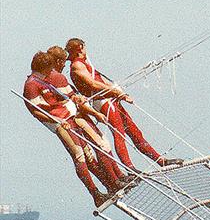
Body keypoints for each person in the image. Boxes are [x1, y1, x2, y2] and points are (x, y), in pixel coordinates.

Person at [23, 52, 131, 207]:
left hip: (69, 116)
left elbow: (64, 96)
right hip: (61, 123)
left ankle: (109, 186)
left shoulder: (42, 80)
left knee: (88, 153)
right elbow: (36, 111)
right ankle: (96, 194)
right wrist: (57, 120)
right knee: (79, 156)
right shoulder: (31, 85)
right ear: (43, 68)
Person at [65, 38, 182, 170]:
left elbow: (100, 80)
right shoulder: (77, 65)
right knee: (119, 133)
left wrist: (120, 93)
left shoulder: (85, 63)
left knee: (134, 132)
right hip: (103, 102)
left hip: (111, 99)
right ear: (81, 47)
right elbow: (92, 83)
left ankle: (160, 160)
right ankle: (129, 167)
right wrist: (114, 92)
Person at [47, 45, 129, 187]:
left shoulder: (49, 78)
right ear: (59, 61)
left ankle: (117, 178)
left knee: (95, 149)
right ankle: (115, 180)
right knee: (101, 145)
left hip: (73, 117)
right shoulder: (57, 77)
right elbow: (75, 99)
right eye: (64, 62)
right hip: (76, 117)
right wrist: (95, 113)